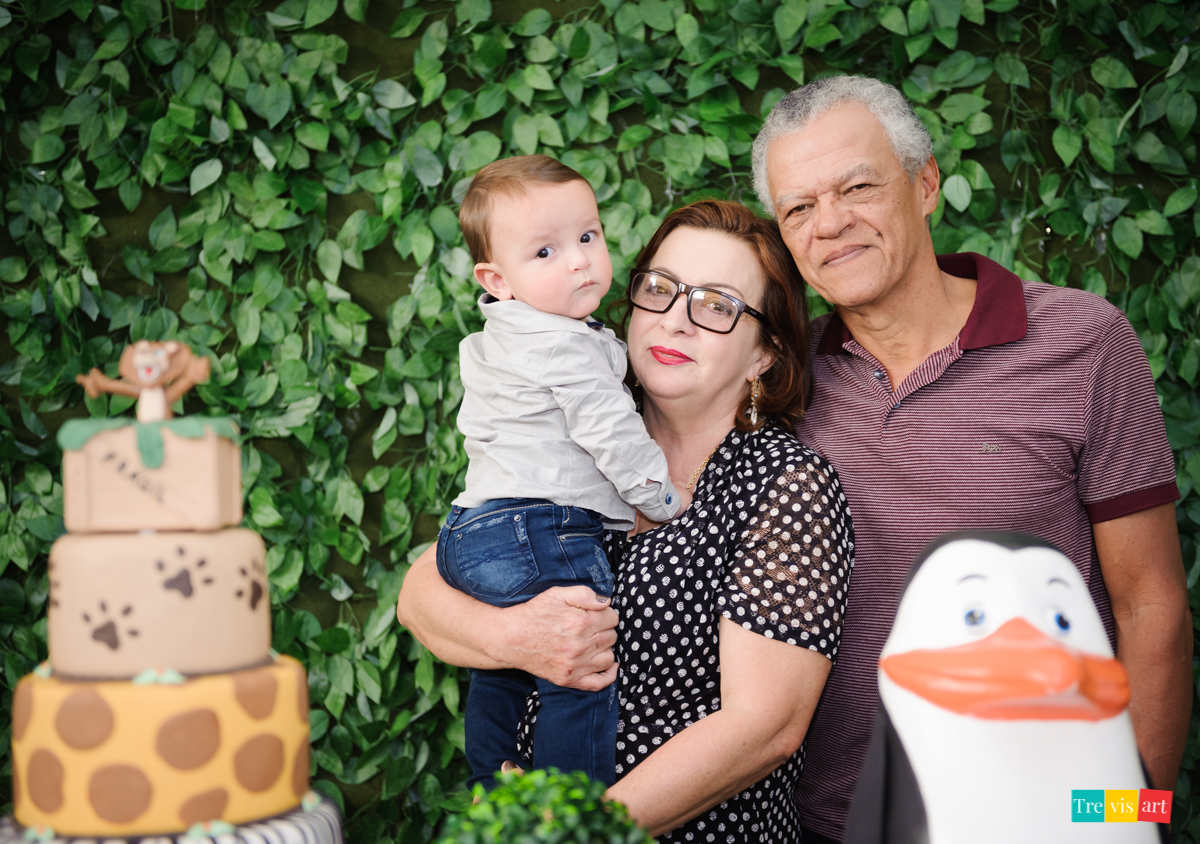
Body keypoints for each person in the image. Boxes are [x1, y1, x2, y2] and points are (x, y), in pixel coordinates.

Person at [748, 75, 1191, 843]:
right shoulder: (780, 379)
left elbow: (1151, 607)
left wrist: (1126, 820)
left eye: (857, 186)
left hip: (1046, 824)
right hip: (833, 825)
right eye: (799, 208)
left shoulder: (1084, 342)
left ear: (925, 185)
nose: (832, 224)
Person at [398, 199, 855, 842]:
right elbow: (422, 593)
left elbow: (765, 728)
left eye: (718, 305)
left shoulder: (785, 484)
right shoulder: (568, 422)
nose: (676, 321)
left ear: (766, 354)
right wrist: (515, 638)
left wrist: (574, 829)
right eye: (662, 289)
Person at [444, 155, 681, 789]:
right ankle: (567, 805)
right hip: (540, 525)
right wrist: (661, 500)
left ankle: (492, 782)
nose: (579, 260)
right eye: (545, 253)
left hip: (472, 526)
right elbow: (612, 435)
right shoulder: (564, 344)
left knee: (504, 664)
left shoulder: (499, 337)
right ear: (497, 279)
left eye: (587, 236)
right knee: (583, 664)